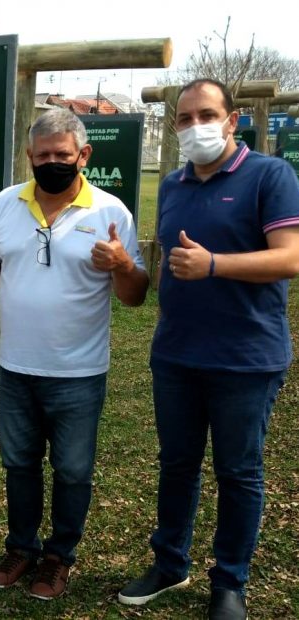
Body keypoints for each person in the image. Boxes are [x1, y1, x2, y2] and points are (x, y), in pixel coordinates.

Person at [117, 79, 299, 620]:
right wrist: (126, 267)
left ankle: (229, 582)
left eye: (206, 114)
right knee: (177, 465)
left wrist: (214, 264)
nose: (195, 125)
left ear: (232, 119)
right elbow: (164, 262)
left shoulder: (271, 175)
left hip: (246, 357)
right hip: (176, 354)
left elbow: (290, 257)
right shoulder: (172, 185)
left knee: (238, 472)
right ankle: (170, 563)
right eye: (184, 117)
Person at [0, 107, 150, 600]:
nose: (52, 162)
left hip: (78, 373)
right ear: (29, 157)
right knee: (18, 463)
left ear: (83, 155)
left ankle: (59, 557)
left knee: (72, 470)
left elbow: (134, 296)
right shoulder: (5, 204)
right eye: (42, 155)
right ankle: (21, 549)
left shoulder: (111, 214)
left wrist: (124, 263)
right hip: (16, 368)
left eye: (62, 155)